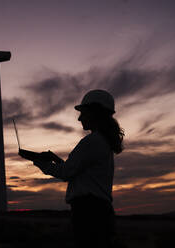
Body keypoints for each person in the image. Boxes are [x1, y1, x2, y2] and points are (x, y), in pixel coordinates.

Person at [32, 89, 124, 248]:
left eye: (84, 113)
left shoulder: (92, 141)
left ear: (95, 113)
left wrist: (40, 163)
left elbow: (66, 173)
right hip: (99, 211)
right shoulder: (103, 142)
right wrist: (56, 160)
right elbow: (77, 171)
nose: (80, 118)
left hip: (89, 212)